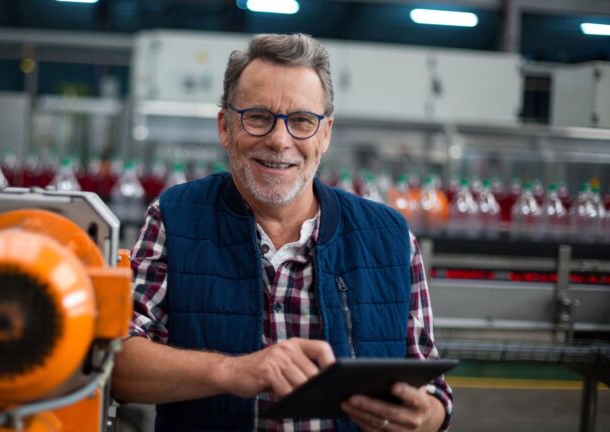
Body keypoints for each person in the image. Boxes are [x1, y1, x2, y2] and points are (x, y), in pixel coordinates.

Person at [111, 33, 453, 432]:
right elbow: (116, 365)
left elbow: (435, 396)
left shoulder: (390, 238)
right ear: (225, 127)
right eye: (257, 117)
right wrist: (232, 371)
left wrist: (421, 416)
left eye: (302, 121)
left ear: (325, 134)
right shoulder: (175, 219)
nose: (278, 139)